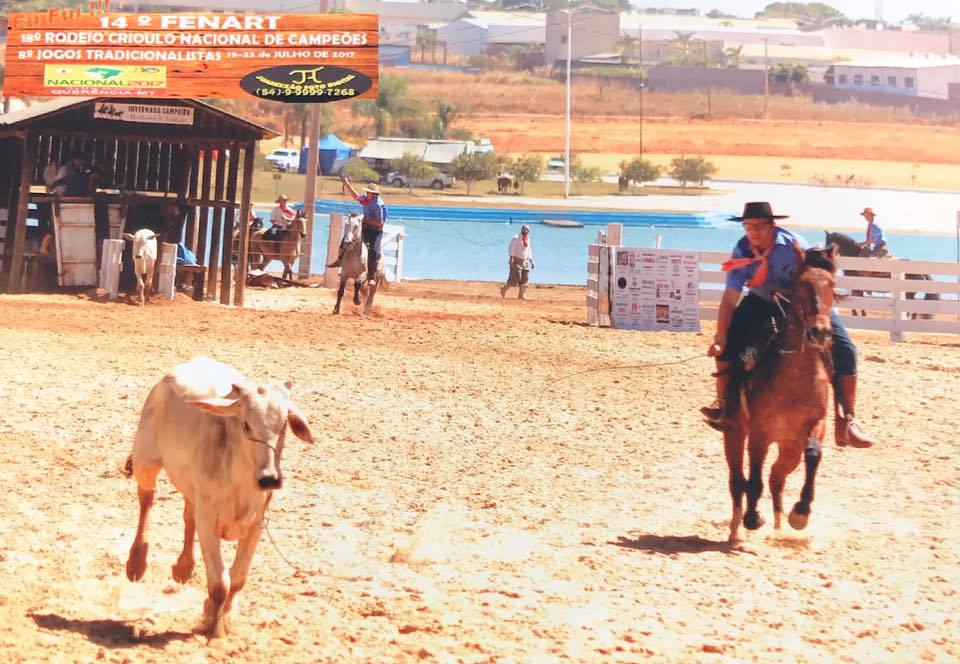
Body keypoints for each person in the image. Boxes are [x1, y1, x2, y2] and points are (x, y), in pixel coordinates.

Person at [701, 201, 876, 448]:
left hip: (805, 304)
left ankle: (847, 420)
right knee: (734, 349)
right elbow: (730, 298)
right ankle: (726, 406)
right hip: (762, 301)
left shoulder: (794, 246)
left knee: (845, 349)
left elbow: (818, 279)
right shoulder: (742, 251)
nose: (753, 231)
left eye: (759, 226)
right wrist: (720, 336)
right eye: (748, 226)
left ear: (772, 225)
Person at [336, 177, 387, 285]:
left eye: (369, 192)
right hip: (365, 227)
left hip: (375, 231)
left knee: (373, 251)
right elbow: (356, 196)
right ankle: (339, 261)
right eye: (367, 192)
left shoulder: (378, 205)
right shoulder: (367, 199)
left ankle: (371, 275)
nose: (367, 193)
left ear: (374, 194)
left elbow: (380, 223)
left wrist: (365, 220)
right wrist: (347, 184)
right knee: (347, 239)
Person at [500, 224, 534, 300]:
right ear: (521, 230)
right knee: (516, 277)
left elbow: (528, 250)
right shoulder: (516, 238)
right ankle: (504, 289)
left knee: (525, 278)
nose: (525, 231)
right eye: (524, 229)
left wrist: (531, 260)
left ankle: (522, 295)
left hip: (524, 261)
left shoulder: (527, 239)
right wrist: (511, 258)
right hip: (516, 260)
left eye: (527, 230)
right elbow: (511, 248)